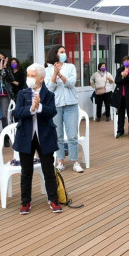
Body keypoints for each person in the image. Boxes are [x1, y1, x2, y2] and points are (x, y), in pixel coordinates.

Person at [13, 63, 62, 214]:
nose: (30, 79)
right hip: (26, 136)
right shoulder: (22, 94)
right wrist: (31, 109)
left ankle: (53, 199)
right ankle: (25, 201)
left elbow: (52, 112)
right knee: (26, 171)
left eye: (33, 76)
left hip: (45, 136)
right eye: (28, 75)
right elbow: (17, 113)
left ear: (41, 78)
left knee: (48, 170)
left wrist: (39, 107)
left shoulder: (49, 95)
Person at [45, 45, 84, 173]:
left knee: (72, 135)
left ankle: (75, 161)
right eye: (61, 52)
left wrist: (60, 75)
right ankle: (60, 161)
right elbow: (49, 88)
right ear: (55, 54)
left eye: (64, 52)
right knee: (58, 135)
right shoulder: (47, 70)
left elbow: (72, 83)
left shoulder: (70, 67)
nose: (64, 54)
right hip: (56, 106)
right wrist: (54, 73)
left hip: (71, 105)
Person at [111, 55, 129, 138]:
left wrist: (126, 76)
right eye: (125, 61)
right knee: (121, 115)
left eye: (128, 61)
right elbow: (117, 81)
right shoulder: (119, 70)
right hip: (120, 96)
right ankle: (120, 131)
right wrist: (122, 76)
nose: (126, 62)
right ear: (123, 62)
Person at [0, 53, 14, 141]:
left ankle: (5, 137)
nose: (1, 59)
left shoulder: (7, 69)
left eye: (3, 58)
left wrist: (5, 68)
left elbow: (11, 79)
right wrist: (0, 69)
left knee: (4, 116)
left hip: (4, 94)